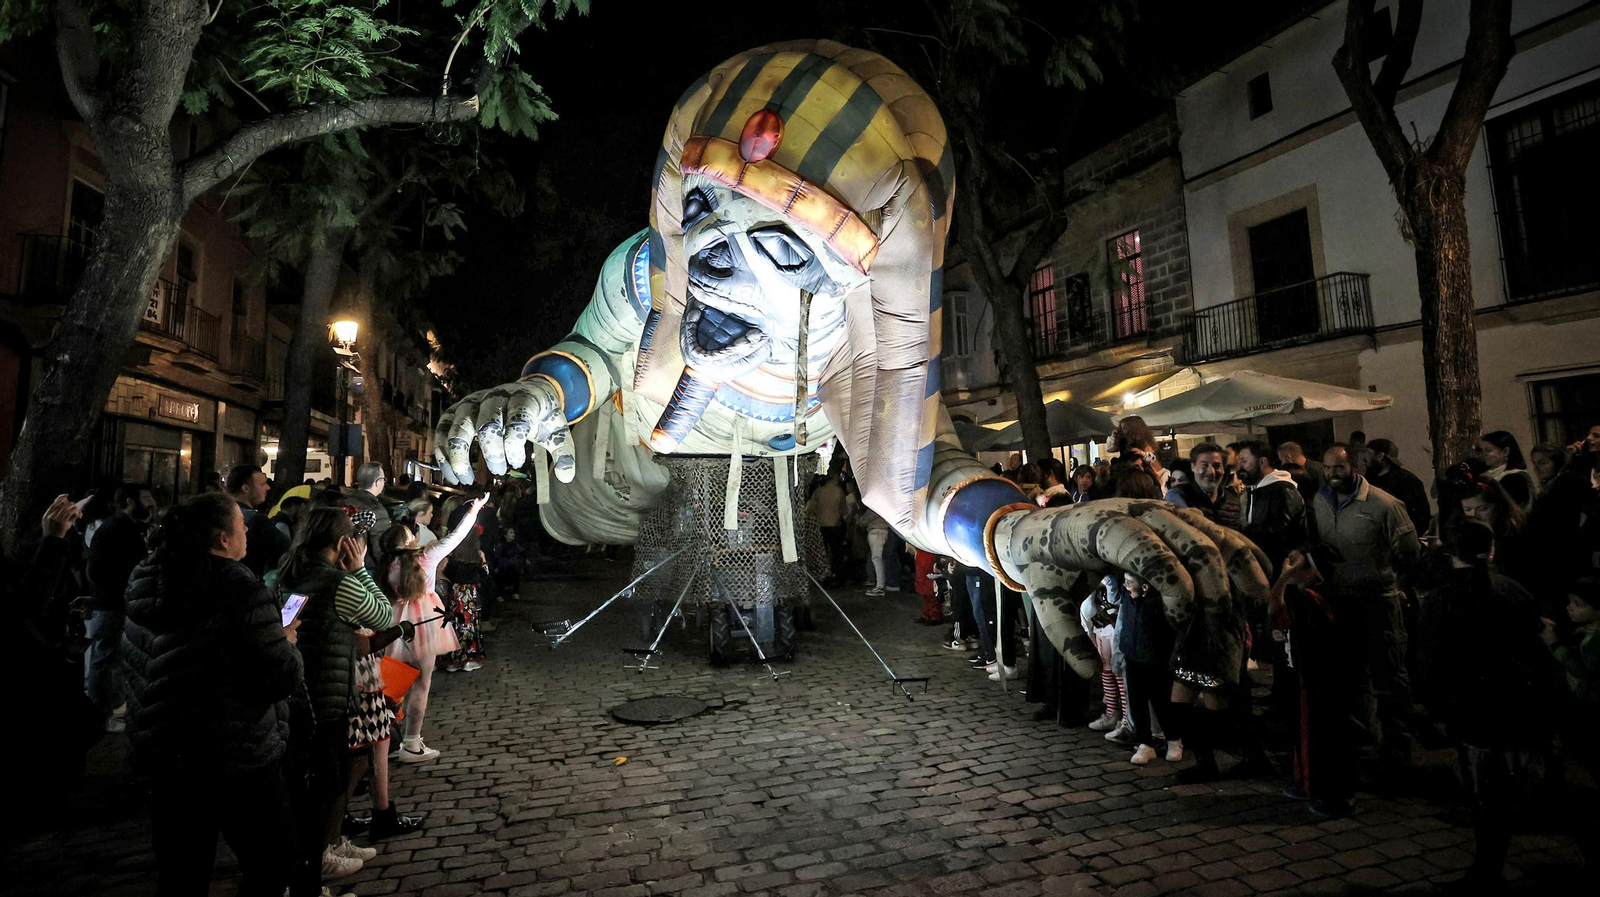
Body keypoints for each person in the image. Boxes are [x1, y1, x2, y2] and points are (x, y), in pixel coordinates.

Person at [122, 493, 303, 896]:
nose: (247, 531)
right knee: (274, 860)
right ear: (223, 538)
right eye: (241, 525)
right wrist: (286, 642)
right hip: (234, 752)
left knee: (182, 874)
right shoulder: (239, 589)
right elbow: (280, 677)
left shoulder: (145, 581)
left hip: (163, 753)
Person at [1414, 519, 1564, 894]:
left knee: (1489, 794)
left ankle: (1487, 871)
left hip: (1476, 710)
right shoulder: (1511, 589)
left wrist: (1437, 709)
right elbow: (1536, 645)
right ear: (1491, 550)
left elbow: (1430, 665)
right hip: (1516, 703)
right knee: (1505, 790)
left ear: (1449, 552)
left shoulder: (1441, 598)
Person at [274, 507, 376, 890]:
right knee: (322, 788)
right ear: (343, 543)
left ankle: (318, 859)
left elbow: (287, 626)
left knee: (317, 785)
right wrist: (360, 570)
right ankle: (313, 874)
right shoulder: (339, 581)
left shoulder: (289, 574)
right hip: (326, 697)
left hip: (298, 691)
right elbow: (381, 614)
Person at [1311, 444, 1421, 773]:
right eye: (1327, 467)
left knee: (1388, 675)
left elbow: (1409, 551)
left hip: (1378, 601)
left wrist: (1386, 578)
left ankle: (1397, 746)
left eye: (1339, 467)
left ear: (1355, 467)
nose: (1332, 473)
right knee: (1351, 674)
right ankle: (1362, 740)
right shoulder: (1320, 499)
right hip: (1340, 600)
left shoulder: (1384, 504)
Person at [381, 496, 485, 764]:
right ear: (407, 543)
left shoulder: (387, 564)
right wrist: (473, 510)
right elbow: (455, 537)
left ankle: (385, 737)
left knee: (391, 683)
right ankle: (412, 741)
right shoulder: (425, 557)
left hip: (392, 620)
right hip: (423, 621)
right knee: (421, 683)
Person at [1269, 544, 1358, 818]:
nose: (1287, 564)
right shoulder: (1329, 594)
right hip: (1323, 678)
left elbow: (1274, 611)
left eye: (1294, 562)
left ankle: (1330, 796)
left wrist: (1283, 577)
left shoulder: (1308, 599)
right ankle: (1313, 785)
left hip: (1315, 680)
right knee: (1318, 734)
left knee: (1321, 738)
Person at [84, 484, 149, 733]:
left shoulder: (123, 527)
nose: (151, 503)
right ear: (130, 501)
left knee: (110, 659)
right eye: (146, 498)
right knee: (104, 661)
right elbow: (97, 569)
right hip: (111, 604)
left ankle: (110, 709)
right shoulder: (117, 529)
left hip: (113, 602)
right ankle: (98, 716)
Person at [1118, 573, 1181, 767]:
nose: (1126, 586)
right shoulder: (1127, 597)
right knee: (1137, 703)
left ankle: (1174, 739)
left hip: (1156, 659)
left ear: (1145, 586)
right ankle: (1144, 743)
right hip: (1132, 656)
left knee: (1162, 702)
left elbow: (1160, 627)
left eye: (1130, 583)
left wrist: (1139, 599)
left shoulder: (1157, 602)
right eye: (1125, 582)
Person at [1236, 440, 1306, 573]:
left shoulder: (1282, 489)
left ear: (1262, 461)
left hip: (1280, 566)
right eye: (1239, 461)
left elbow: (1280, 532)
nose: (1239, 466)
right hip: (1260, 563)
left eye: (1244, 461)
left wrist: (1243, 535)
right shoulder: (1254, 489)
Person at [1080, 575, 1128, 738]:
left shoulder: (1114, 579)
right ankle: (1111, 713)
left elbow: (1115, 595)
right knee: (1106, 669)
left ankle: (1127, 718)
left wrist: (1104, 580)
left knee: (1119, 671)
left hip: (1117, 624)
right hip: (1100, 624)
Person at [228, 465, 288, 580]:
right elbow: (285, 550)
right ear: (246, 488)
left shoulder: (217, 514)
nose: (267, 488)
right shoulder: (256, 520)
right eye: (262, 484)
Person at [1363, 438, 1432, 536]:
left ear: (1380, 456)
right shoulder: (1368, 480)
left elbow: (1420, 516)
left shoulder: (1407, 481)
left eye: (1369, 455)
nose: (1365, 460)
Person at [1165, 442, 1241, 529]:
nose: (1211, 472)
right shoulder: (1178, 495)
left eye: (1216, 466)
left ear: (1223, 469)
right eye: (1204, 465)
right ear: (1193, 467)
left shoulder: (1233, 499)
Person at [346, 462, 394, 573]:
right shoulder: (376, 510)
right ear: (378, 482)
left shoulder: (345, 501)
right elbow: (380, 546)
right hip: (367, 568)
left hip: (343, 563)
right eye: (383, 479)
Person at [1478, 430, 1536, 513]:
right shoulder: (1482, 475)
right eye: (1481, 450)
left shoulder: (1516, 478)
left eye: (1488, 450)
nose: (1483, 454)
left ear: (1505, 452)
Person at [808, 473, 848, 583]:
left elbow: (810, 508)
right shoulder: (839, 491)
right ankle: (838, 575)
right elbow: (844, 511)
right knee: (837, 551)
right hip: (836, 525)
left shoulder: (818, 492)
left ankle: (824, 573)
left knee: (823, 550)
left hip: (821, 525)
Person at [859, 504, 892, 598]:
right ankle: (881, 584)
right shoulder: (886, 504)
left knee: (876, 558)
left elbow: (865, 519)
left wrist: (860, 520)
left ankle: (880, 586)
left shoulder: (875, 504)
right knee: (879, 558)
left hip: (876, 531)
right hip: (883, 530)